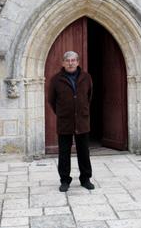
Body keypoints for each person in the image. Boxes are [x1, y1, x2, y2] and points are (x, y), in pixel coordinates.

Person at [48, 51, 95, 192]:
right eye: (67, 60)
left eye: (73, 60)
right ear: (63, 63)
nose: (70, 63)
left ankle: (85, 179)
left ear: (78, 62)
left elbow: (89, 97)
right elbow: (51, 100)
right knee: (64, 153)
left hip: (82, 121)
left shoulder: (86, 78)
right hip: (64, 122)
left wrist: (82, 111)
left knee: (84, 152)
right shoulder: (56, 80)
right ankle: (64, 180)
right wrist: (63, 113)